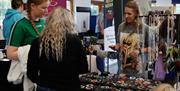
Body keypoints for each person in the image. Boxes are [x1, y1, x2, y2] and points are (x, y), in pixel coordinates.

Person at [27, 7, 88, 91]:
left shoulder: (37, 42)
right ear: (69, 22)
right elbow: (83, 68)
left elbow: (31, 72)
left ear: (49, 21)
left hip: (45, 86)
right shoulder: (75, 41)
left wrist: (41, 81)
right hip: (70, 86)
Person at [6, 0, 50, 91]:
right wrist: (32, 53)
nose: (46, 11)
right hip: (27, 74)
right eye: (43, 8)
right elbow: (10, 54)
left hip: (43, 74)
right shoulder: (20, 25)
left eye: (47, 7)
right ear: (33, 6)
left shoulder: (44, 23)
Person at [109, 0, 150, 77]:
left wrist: (139, 51)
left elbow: (152, 48)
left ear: (136, 14)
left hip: (139, 72)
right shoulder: (121, 27)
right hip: (122, 70)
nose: (126, 16)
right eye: (125, 13)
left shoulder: (144, 28)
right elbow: (119, 43)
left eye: (129, 14)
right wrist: (116, 47)